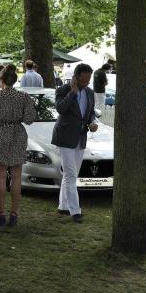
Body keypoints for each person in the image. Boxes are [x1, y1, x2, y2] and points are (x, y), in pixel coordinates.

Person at [0, 64, 36, 226]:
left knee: (1, 175)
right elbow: (30, 119)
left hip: (1, 132)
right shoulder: (24, 97)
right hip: (18, 133)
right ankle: (15, 213)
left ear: (1, 79)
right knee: (17, 176)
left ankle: (2, 213)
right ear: (15, 80)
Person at [52, 63, 98, 224]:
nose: (86, 83)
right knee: (71, 175)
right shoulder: (63, 90)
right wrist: (72, 92)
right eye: (84, 80)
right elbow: (60, 109)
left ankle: (63, 205)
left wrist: (92, 122)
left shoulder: (90, 93)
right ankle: (75, 210)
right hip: (64, 137)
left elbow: (90, 113)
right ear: (76, 77)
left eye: (88, 79)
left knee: (70, 175)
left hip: (81, 137)